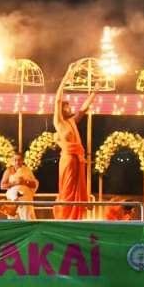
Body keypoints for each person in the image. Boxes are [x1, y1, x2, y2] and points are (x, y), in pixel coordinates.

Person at [53, 69, 96, 220]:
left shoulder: (72, 121)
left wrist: (95, 92)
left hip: (76, 160)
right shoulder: (59, 122)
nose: (70, 108)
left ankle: (74, 217)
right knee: (67, 189)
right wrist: (66, 76)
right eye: (67, 107)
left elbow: (83, 109)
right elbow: (57, 99)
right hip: (67, 160)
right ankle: (65, 216)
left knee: (75, 188)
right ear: (61, 109)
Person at [0, 152, 39, 220]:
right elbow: (2, 186)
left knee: (27, 217)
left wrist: (25, 182)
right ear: (12, 160)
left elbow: (34, 184)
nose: (17, 162)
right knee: (14, 219)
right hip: (13, 199)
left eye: (19, 160)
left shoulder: (27, 170)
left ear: (22, 160)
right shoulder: (8, 171)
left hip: (25, 198)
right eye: (15, 160)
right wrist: (15, 183)